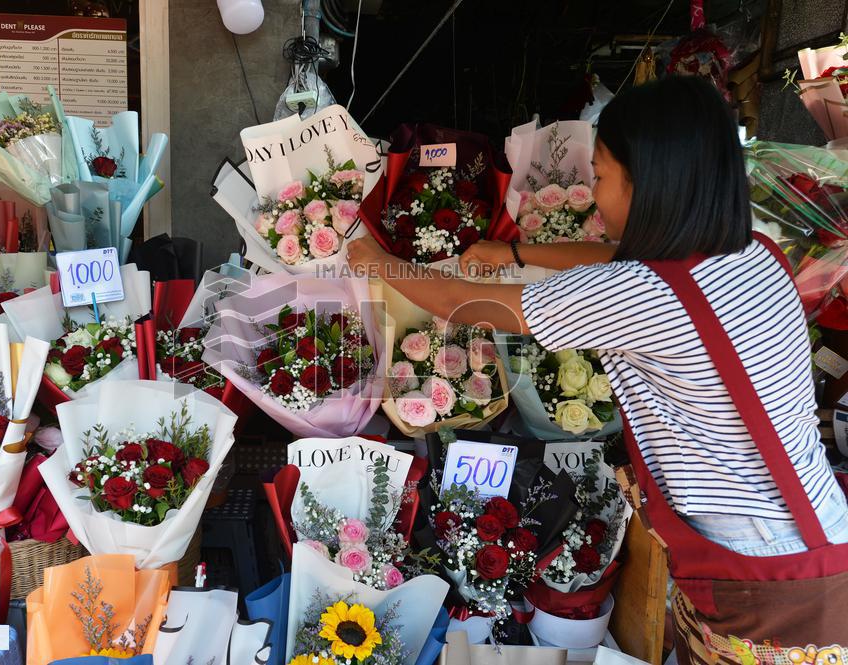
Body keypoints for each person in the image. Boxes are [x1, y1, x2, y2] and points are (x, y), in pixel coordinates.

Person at [347, 76, 848, 663]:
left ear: (649, 184)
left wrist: (378, 261)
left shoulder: (647, 295)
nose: (596, 192)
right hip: (809, 526)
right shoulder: (750, 253)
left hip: (758, 567)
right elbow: (617, 258)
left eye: (603, 176)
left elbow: (465, 302)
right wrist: (514, 252)